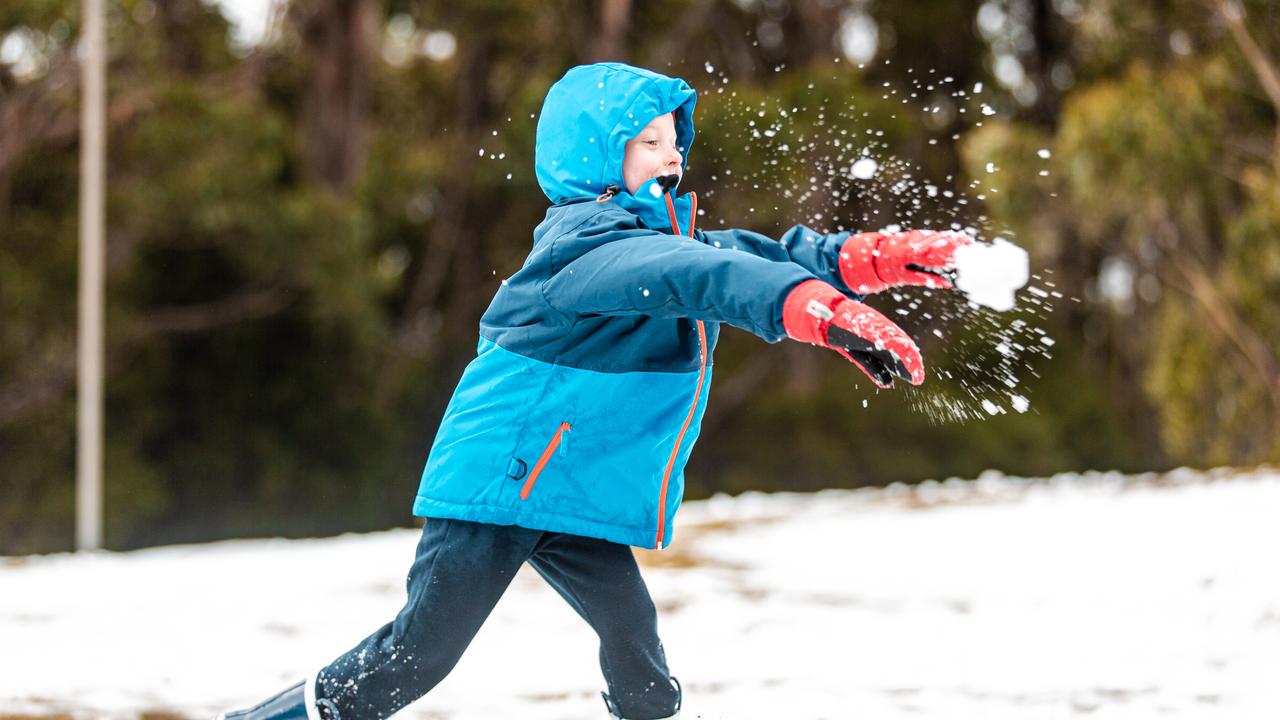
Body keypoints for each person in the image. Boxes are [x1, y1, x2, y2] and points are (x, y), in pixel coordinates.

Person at [218, 61, 969, 720]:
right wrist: (812, 312)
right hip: (500, 484)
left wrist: (868, 261)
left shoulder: (663, 240)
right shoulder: (581, 249)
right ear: (598, 158)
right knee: (419, 655)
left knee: (635, 646)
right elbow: (705, 278)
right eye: (650, 141)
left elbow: (750, 255)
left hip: (565, 490)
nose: (673, 152)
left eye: (674, 137)